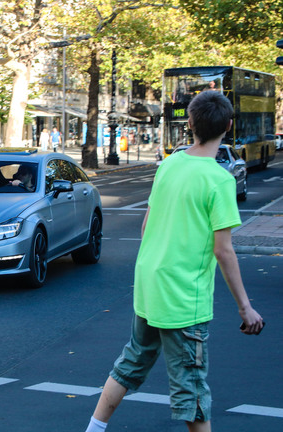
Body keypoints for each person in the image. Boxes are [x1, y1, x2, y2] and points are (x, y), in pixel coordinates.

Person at [84, 91, 264, 432]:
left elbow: (146, 224)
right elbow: (223, 250)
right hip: (184, 296)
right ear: (228, 126)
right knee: (192, 387)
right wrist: (245, 307)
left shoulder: (168, 165)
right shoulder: (219, 180)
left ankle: (94, 428)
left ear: (190, 124)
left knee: (132, 362)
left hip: (151, 285)